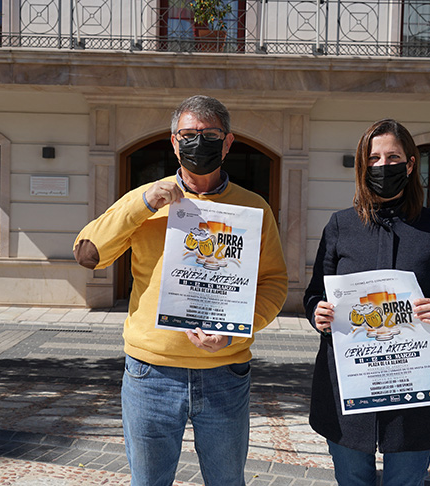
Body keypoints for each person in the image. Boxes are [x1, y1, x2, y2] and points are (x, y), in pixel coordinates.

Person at [73, 95, 288, 486]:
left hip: (225, 373)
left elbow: (273, 282)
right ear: (173, 142)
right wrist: (143, 204)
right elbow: (88, 254)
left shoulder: (253, 207)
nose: (198, 143)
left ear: (227, 142)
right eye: (188, 135)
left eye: (210, 135)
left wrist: (236, 329)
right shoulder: (145, 199)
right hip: (151, 374)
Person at [303, 119, 430, 486]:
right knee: (352, 479)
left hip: (412, 384)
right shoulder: (340, 226)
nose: (383, 165)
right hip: (349, 385)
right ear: (363, 166)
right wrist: (318, 312)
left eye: (393, 157)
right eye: (374, 158)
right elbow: (314, 294)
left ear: (410, 165)